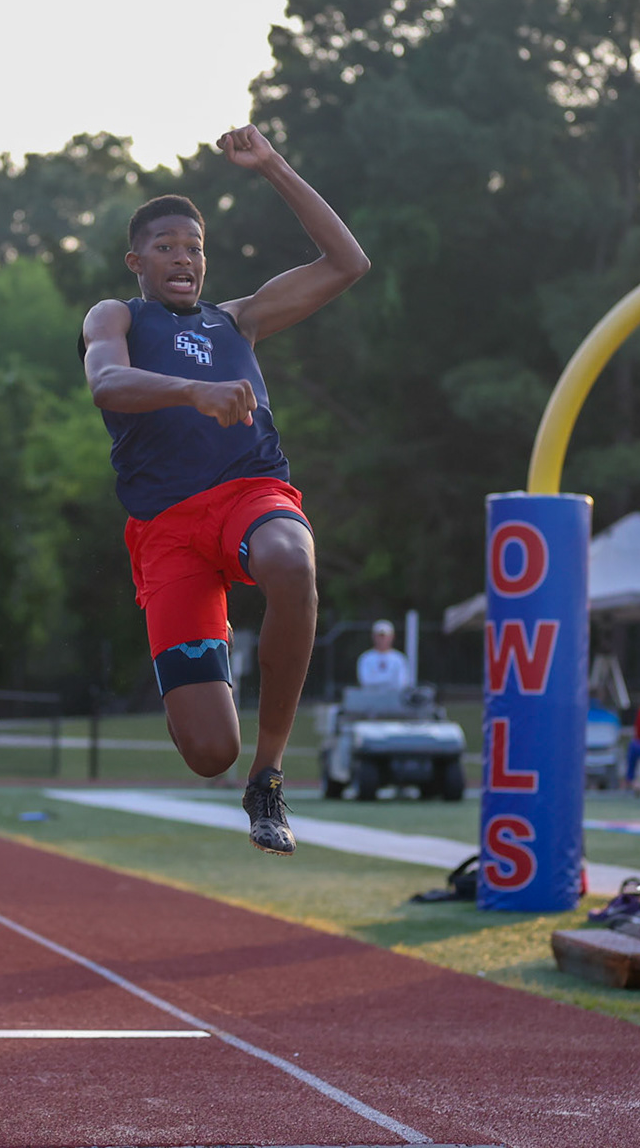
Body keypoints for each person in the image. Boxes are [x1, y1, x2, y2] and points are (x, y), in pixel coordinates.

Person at [78, 123, 369, 855]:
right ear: (137, 261)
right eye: (166, 246)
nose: (184, 257)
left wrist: (273, 165)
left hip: (250, 493)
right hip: (167, 529)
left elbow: (347, 262)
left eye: (195, 247)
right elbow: (106, 382)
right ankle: (212, 682)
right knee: (209, 752)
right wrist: (192, 391)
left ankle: (267, 777)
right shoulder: (116, 316)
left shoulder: (237, 319)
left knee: (291, 563)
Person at [356, 620, 411, 689]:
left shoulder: (399, 658)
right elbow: (365, 681)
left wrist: (378, 682)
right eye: (379, 636)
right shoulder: (366, 658)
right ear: (373, 636)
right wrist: (389, 682)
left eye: (385, 636)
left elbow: (402, 683)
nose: (382, 639)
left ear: (392, 637)